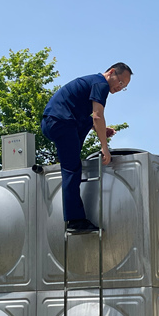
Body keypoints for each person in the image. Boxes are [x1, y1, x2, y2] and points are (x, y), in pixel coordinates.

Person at [41, 62, 133, 233]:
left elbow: (87, 116)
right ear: (111, 72)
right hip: (59, 121)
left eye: (124, 87)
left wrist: (100, 129)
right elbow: (98, 115)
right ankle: (75, 220)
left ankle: (73, 209)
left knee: (85, 126)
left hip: (57, 121)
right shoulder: (101, 84)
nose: (120, 88)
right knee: (72, 168)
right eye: (120, 83)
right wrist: (104, 147)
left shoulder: (92, 82)